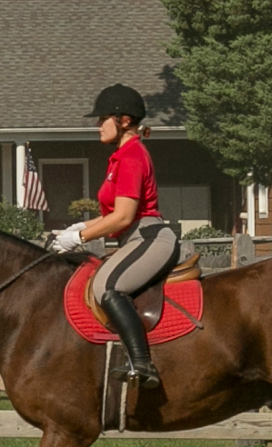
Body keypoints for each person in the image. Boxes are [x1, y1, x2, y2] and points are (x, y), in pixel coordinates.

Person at [48, 85, 178, 385]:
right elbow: (112, 215)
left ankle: (143, 365)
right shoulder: (120, 157)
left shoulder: (132, 156)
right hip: (134, 237)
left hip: (149, 237)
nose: (97, 125)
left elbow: (123, 216)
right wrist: (79, 228)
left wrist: (79, 239)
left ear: (124, 120)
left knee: (107, 286)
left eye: (102, 118)